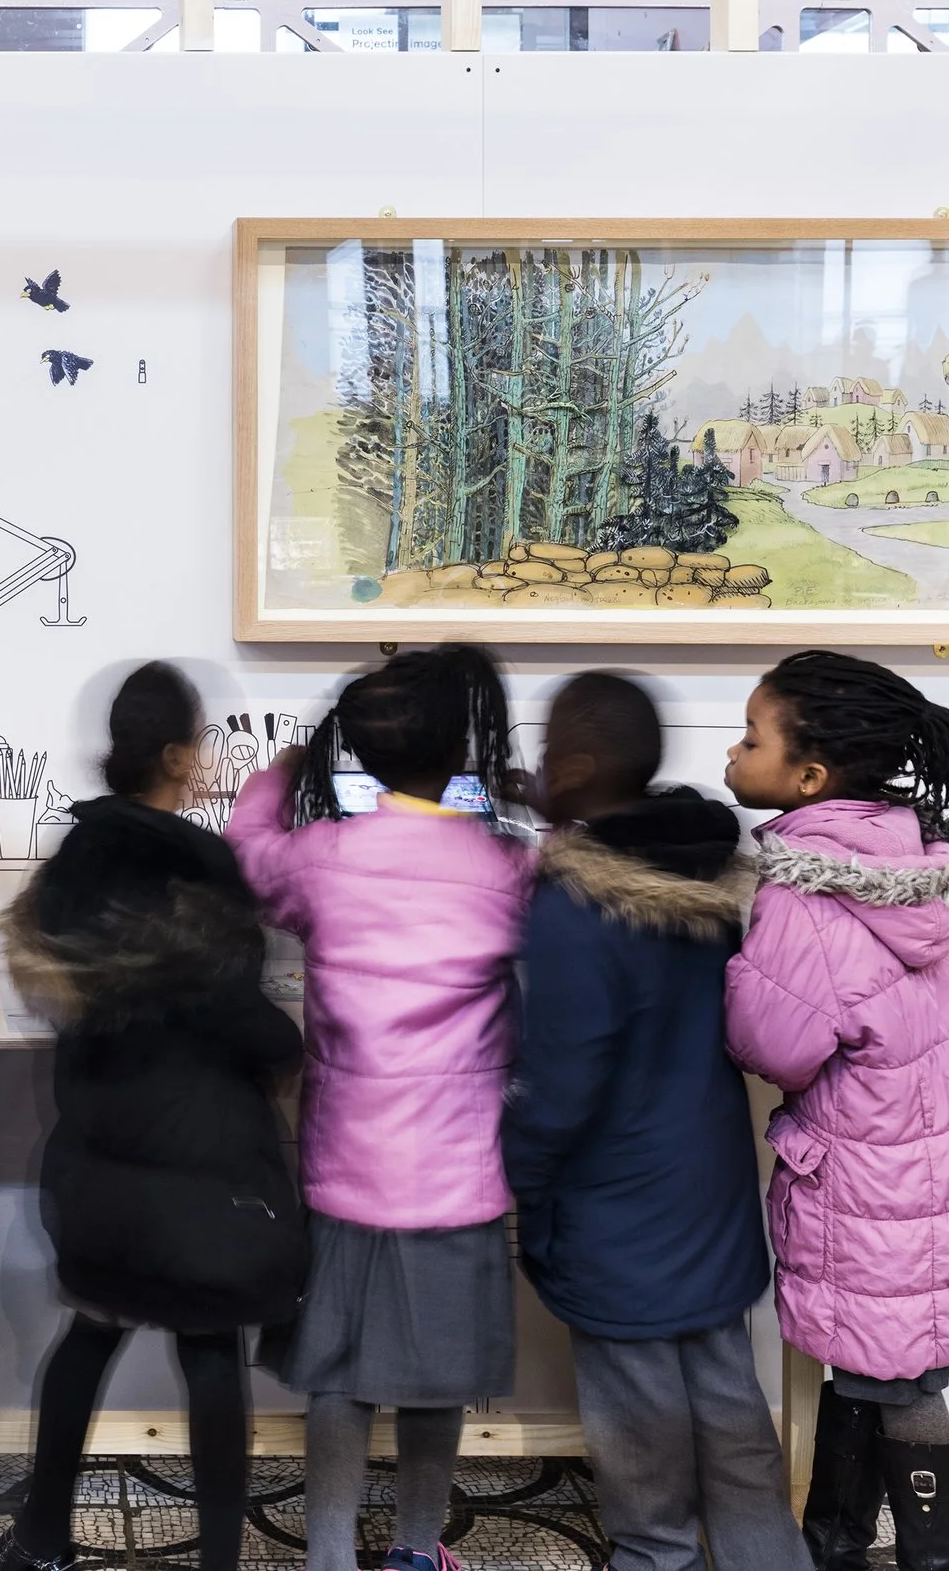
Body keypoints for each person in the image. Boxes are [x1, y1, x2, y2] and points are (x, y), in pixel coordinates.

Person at [0, 660, 307, 1571]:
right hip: (199, 1168)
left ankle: (41, 1543)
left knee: (88, 1336)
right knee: (210, 1353)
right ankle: (217, 1561)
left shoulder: (74, 862)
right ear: (176, 754)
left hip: (97, 1162)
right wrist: (284, 1043)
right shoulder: (198, 867)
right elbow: (235, 1016)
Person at [226, 646, 532, 1571]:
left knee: (336, 1381)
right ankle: (413, 1550)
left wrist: (280, 768)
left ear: (356, 749)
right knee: (435, 1386)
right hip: (458, 1176)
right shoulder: (504, 864)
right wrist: (535, 794)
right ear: (465, 747)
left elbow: (247, 855)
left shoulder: (323, 858)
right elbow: (582, 871)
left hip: (345, 1169)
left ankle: (325, 1554)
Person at [721, 651, 949, 1571]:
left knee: (901, 1377)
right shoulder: (901, 855)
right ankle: (832, 1541)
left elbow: (773, 1044)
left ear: (807, 777)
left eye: (750, 736)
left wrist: (731, 967)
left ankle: (933, 1557)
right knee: (877, 1360)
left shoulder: (803, 889)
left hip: (873, 1175)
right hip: (934, 1166)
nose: (732, 753)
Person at [502, 672, 804, 1571]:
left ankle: (656, 1555)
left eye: (549, 753)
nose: (535, 768)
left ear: (580, 765)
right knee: (729, 1400)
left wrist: (517, 1177)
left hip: (613, 1210)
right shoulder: (705, 870)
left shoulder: (573, 905)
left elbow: (562, 1083)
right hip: (707, 1190)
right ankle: (767, 1557)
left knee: (640, 1425)